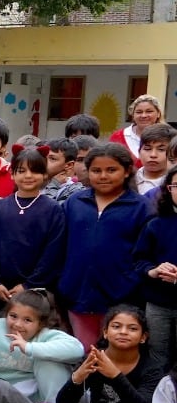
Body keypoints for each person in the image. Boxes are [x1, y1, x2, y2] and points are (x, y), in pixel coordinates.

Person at [59, 143, 150, 349]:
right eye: (96, 171)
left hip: (122, 298)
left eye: (111, 170)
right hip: (77, 295)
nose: (103, 176)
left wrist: (129, 282)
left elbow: (145, 252)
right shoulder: (75, 202)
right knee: (86, 352)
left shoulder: (141, 207)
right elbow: (61, 245)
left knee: (116, 354)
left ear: (126, 172)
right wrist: (65, 281)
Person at [0, 146, 62, 305]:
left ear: (45, 174)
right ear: (12, 174)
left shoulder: (53, 210)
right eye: (22, 170)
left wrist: (29, 285)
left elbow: (53, 254)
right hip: (0, 290)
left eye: (35, 171)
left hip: (37, 293)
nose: (28, 176)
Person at [0, 289, 84, 403]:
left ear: (40, 324)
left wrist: (29, 348)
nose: (17, 324)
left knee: (50, 361)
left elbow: (77, 349)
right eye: (13, 316)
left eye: (27, 320)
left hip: (35, 398)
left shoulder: (44, 335)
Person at [136, 166, 177, 372]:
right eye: (176, 185)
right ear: (169, 189)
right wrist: (153, 271)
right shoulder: (156, 223)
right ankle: (153, 400)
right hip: (158, 303)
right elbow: (139, 260)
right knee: (156, 355)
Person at [109, 93, 164, 158]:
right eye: (139, 112)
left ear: (158, 114)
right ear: (133, 115)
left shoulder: (169, 138)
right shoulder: (118, 137)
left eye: (149, 111)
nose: (143, 115)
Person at [135, 123, 175, 195]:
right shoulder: (125, 180)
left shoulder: (173, 185)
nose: (153, 155)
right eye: (147, 149)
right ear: (139, 152)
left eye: (161, 149)